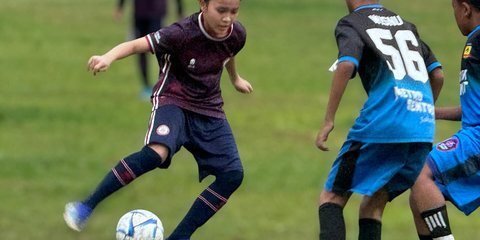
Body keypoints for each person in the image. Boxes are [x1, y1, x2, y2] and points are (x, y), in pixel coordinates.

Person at [63, 0, 253, 239]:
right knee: (155, 153)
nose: (228, 18)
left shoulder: (237, 33)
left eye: (234, 11)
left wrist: (235, 79)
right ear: (203, 5)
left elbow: (227, 53)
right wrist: (107, 57)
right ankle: (85, 206)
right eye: (221, 11)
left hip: (209, 108)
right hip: (173, 100)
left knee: (232, 174)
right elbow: (135, 45)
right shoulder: (181, 34)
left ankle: (180, 236)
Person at [315, 0, 444, 239]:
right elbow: (437, 74)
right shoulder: (404, 25)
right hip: (421, 131)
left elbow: (346, 64)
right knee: (373, 205)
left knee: (332, 197)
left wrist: (328, 120)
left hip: (382, 126)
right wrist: (420, 110)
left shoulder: (352, 23)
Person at [409, 0, 480, 239]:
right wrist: (431, 112)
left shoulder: (477, 40)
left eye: (454, 9)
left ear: (466, 8)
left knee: (420, 172)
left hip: (477, 139)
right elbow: (472, 109)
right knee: (420, 198)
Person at [114, 0, 184, 100]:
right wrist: (120, 7)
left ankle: (167, 84)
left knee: (162, 50)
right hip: (139, 14)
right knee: (140, 50)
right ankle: (146, 86)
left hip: (156, 13)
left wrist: (180, 9)